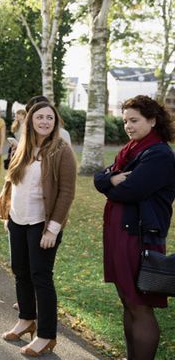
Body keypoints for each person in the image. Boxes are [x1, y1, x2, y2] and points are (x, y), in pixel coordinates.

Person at [94, 95, 175, 360]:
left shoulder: (159, 155)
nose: (128, 126)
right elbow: (99, 178)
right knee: (128, 302)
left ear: (152, 120)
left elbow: (130, 190)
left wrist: (111, 181)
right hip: (120, 234)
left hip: (138, 238)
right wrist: (111, 180)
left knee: (139, 306)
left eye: (134, 120)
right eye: (125, 120)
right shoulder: (131, 151)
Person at [0, 101, 76, 356]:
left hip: (42, 223)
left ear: (55, 123)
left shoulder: (61, 150)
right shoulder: (24, 146)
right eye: (39, 117)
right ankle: (26, 320)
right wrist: (7, 213)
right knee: (20, 271)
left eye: (49, 118)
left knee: (41, 277)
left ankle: (46, 336)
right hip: (18, 219)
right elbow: (12, 181)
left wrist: (52, 229)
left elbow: (66, 192)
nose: (44, 122)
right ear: (30, 120)